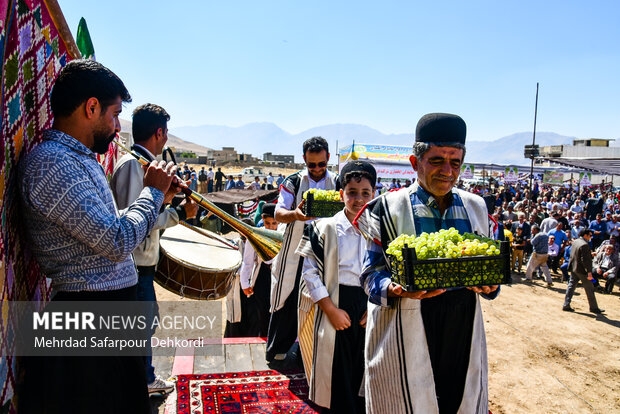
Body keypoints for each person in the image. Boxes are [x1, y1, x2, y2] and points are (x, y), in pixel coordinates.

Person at [17, 60, 178, 413]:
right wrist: (152, 193)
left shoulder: (75, 159)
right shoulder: (52, 164)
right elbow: (117, 240)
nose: (118, 126)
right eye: (115, 114)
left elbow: (107, 225)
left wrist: (158, 198)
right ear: (91, 107)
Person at [355, 113, 498, 414]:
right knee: (406, 400)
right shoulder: (387, 208)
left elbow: (489, 272)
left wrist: (491, 286)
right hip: (406, 322)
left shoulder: (476, 207)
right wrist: (394, 289)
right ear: (415, 162)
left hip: (462, 325)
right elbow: (369, 274)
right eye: (436, 160)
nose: (448, 171)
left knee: (459, 399)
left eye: (455, 162)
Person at [110, 103, 198, 395]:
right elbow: (134, 220)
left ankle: (142, 378)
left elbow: (146, 210)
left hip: (143, 264)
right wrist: (179, 214)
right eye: (167, 132)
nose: (167, 139)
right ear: (159, 133)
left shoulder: (144, 166)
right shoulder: (132, 165)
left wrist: (169, 196)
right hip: (133, 265)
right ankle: (141, 382)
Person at [296, 161, 375, 413]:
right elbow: (310, 274)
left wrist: (373, 308)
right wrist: (330, 310)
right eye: (352, 192)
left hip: (368, 305)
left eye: (365, 193)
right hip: (334, 302)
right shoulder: (321, 228)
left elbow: (386, 272)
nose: (358, 199)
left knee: (364, 364)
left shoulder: (380, 229)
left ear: (375, 194)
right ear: (341, 193)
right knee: (336, 365)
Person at [268, 136, 339, 363]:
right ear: (304, 160)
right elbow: (278, 214)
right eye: (312, 165)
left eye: (321, 164)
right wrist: (296, 215)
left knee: (322, 298)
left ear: (328, 158)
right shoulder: (294, 182)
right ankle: (277, 351)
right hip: (296, 252)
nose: (317, 169)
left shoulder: (339, 182)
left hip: (326, 252)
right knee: (288, 298)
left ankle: (313, 351)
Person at [225, 205, 277, 337]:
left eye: (274, 223)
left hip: (279, 276)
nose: (270, 227)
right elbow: (247, 262)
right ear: (262, 220)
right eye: (267, 223)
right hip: (262, 277)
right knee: (262, 311)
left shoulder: (284, 234)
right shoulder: (255, 235)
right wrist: (245, 284)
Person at [563, 229, 604, 313]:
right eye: (590, 235)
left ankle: (566, 304)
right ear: (585, 235)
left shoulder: (576, 241)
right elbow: (585, 260)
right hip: (582, 271)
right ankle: (593, 308)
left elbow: (576, 255)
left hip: (574, 268)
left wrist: (589, 254)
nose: (591, 237)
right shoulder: (585, 244)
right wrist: (589, 272)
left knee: (571, 287)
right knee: (590, 288)